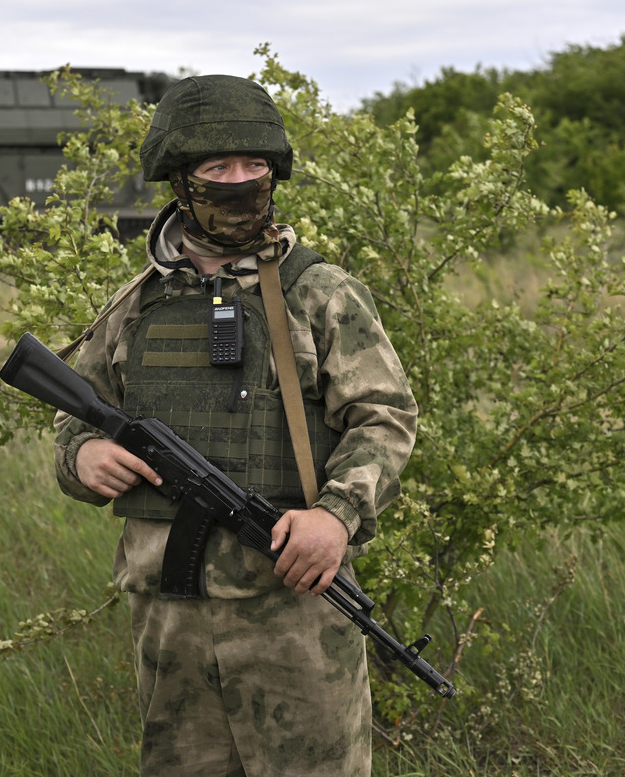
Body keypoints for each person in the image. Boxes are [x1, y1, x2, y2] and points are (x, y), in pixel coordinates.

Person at [52, 74, 418, 777]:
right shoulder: (136, 304)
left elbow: (385, 418)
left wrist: (337, 517)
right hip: (169, 617)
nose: (240, 181)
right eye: (218, 167)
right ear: (179, 179)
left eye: (254, 165)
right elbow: (75, 418)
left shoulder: (321, 293)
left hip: (294, 607)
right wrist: (84, 456)